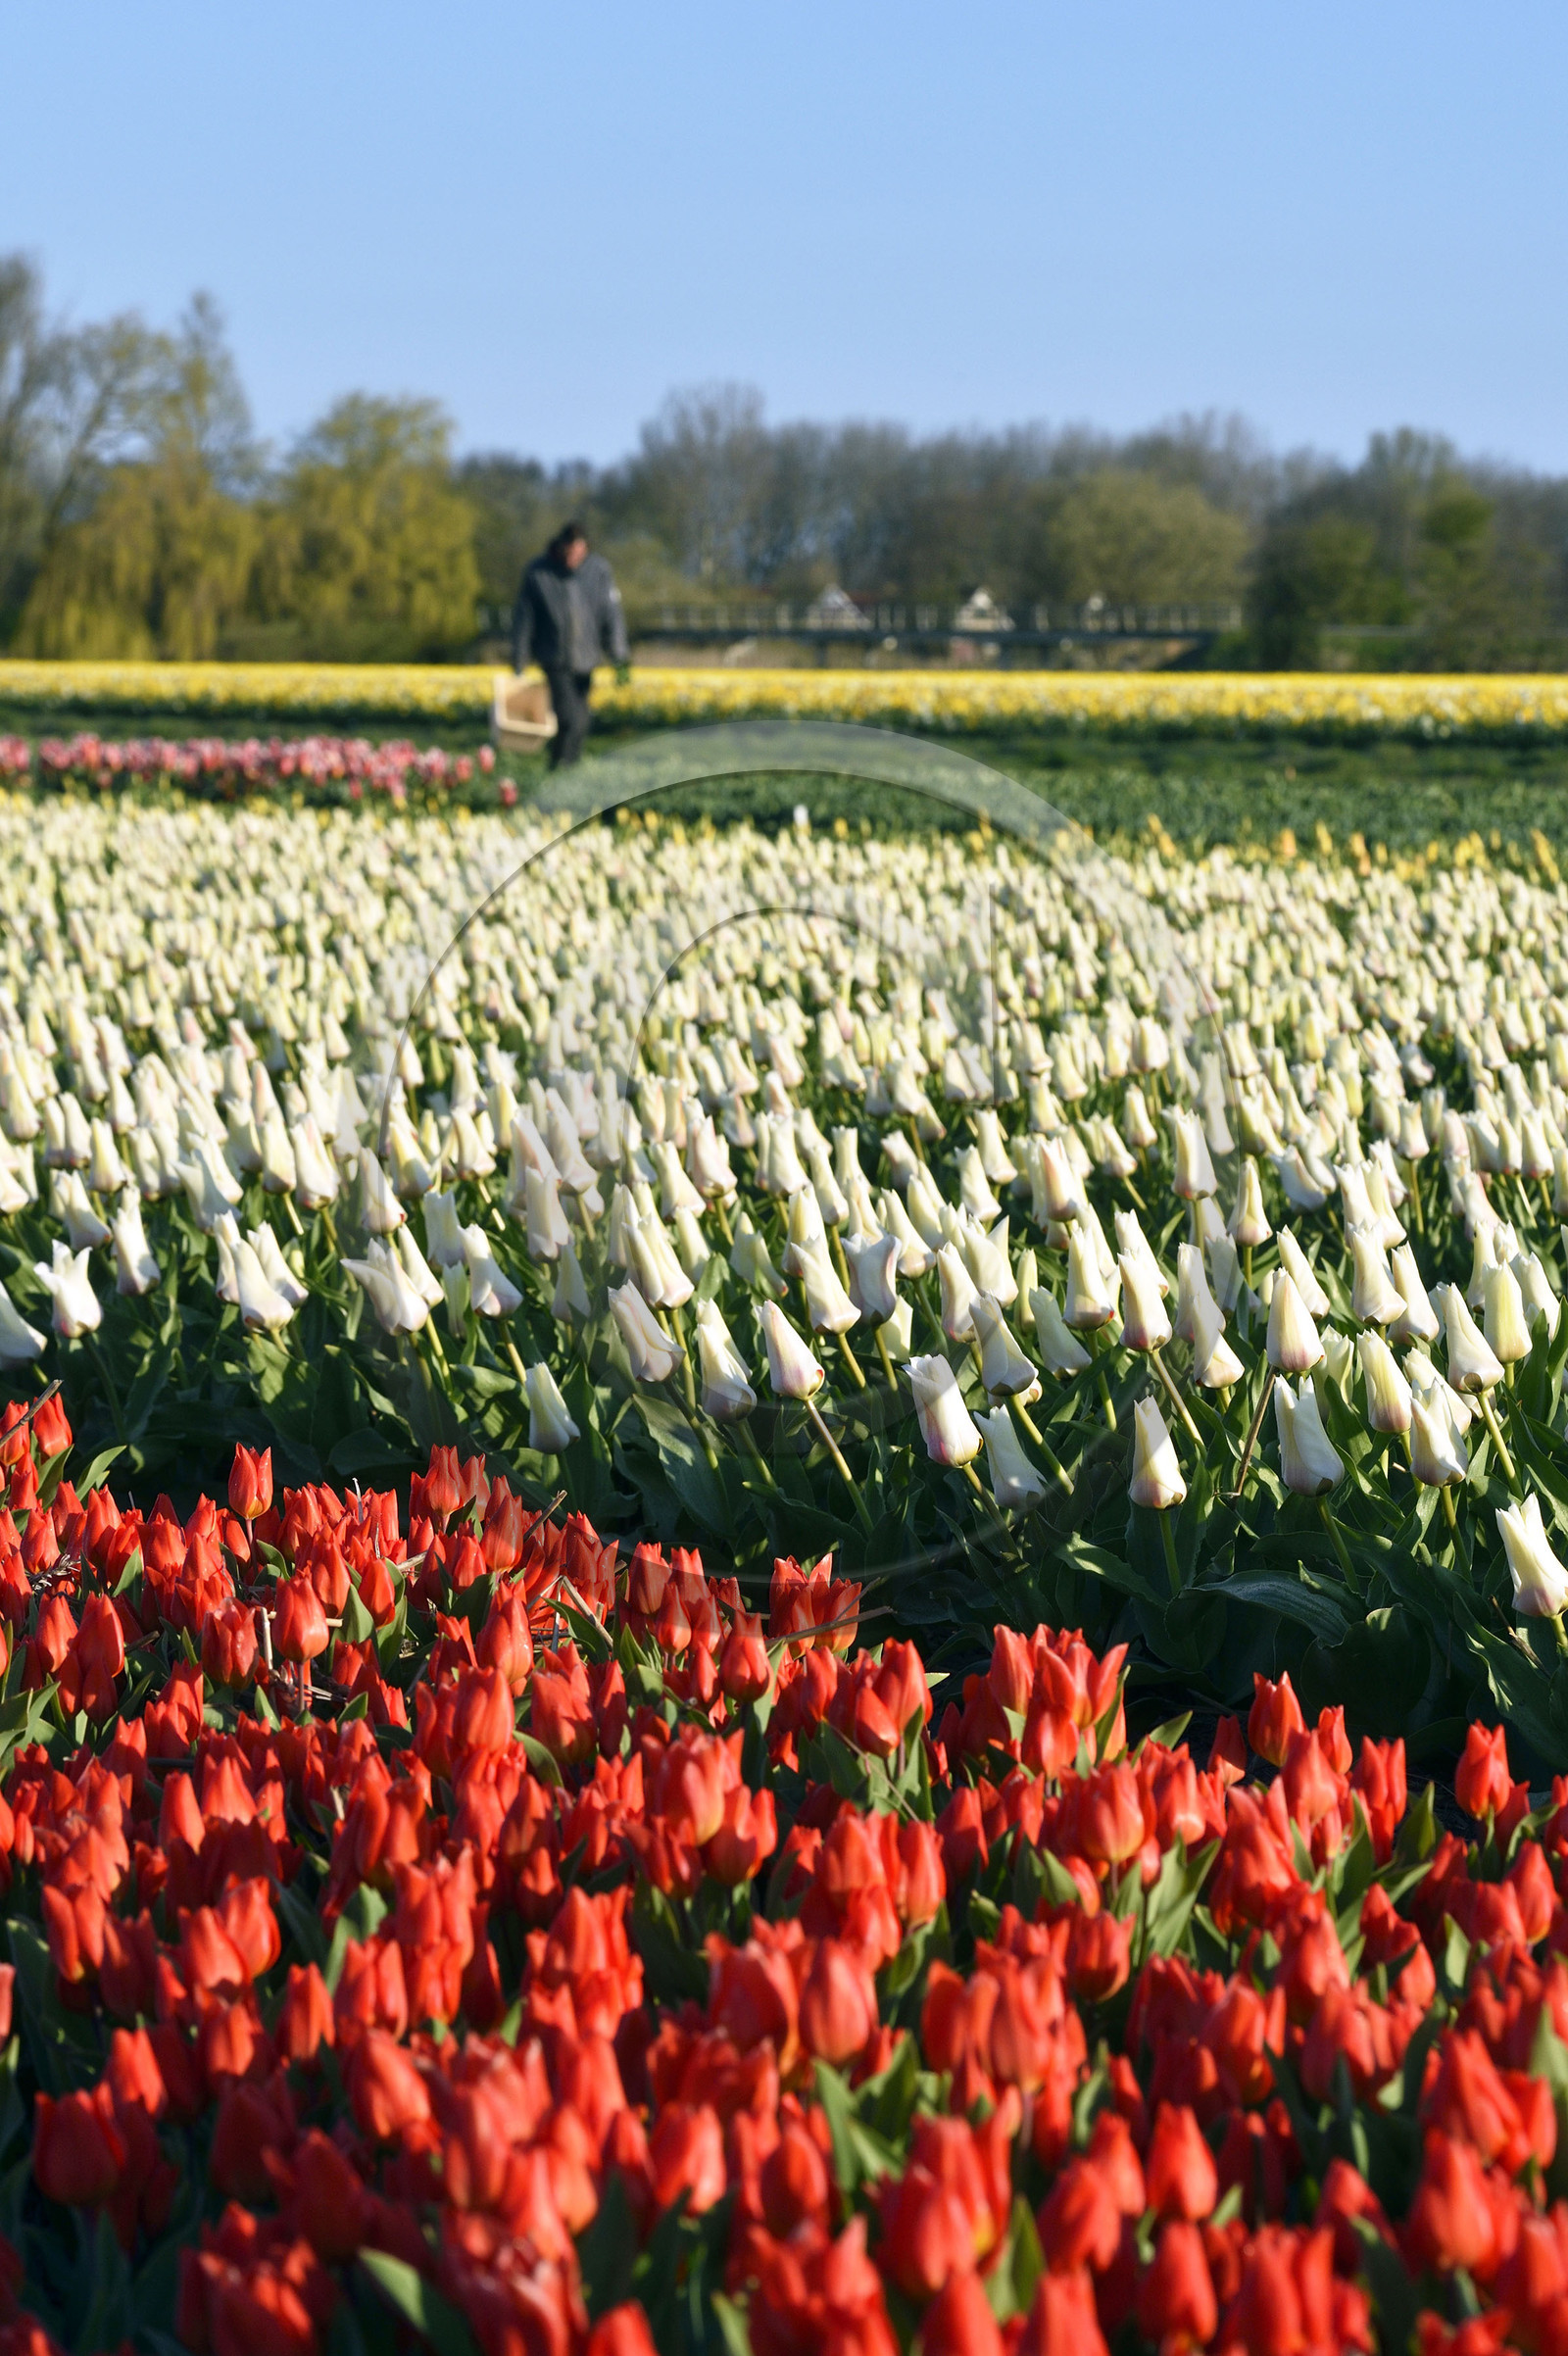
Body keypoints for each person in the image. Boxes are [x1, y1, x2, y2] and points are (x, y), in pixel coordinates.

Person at [511, 521, 629, 768]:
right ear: (561, 547)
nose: (573, 558)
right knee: (568, 718)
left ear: (585, 549)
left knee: (582, 720)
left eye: (579, 552)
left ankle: (564, 764)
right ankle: (562, 765)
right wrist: (519, 659)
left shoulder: (599, 571)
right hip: (555, 658)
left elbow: (612, 614)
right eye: (569, 552)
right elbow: (524, 619)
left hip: (586, 658)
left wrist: (618, 653)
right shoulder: (539, 573)